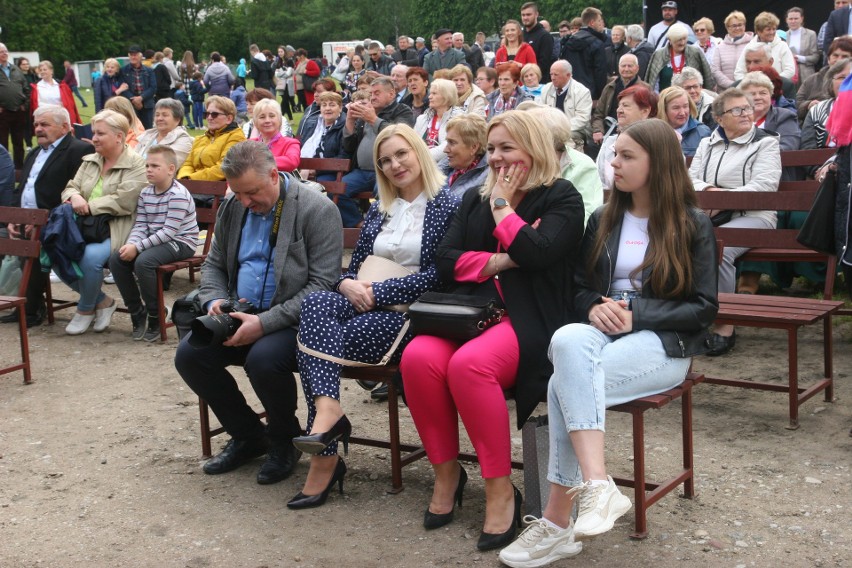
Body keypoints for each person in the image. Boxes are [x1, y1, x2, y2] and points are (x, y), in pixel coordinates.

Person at [498, 118, 718, 568]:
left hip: (662, 344)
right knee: (567, 338)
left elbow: (703, 307)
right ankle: (598, 486)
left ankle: (557, 523)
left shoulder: (692, 224)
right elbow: (578, 288)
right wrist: (594, 305)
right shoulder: (604, 217)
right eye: (614, 154)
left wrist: (637, 313)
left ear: (658, 165)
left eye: (626, 156)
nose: (613, 163)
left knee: (564, 385)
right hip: (601, 333)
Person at [401, 110, 585, 552]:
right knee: (418, 357)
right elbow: (445, 260)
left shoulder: (562, 198)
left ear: (535, 148)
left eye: (507, 148)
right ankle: (447, 474)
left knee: (470, 366)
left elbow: (538, 255)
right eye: (492, 150)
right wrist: (500, 260)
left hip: (527, 318)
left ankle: (501, 489)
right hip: (465, 313)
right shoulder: (472, 200)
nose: (497, 159)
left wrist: (503, 208)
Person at [289, 124, 459, 508]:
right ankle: (329, 413)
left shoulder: (448, 205)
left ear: (418, 152)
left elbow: (441, 274)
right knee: (315, 305)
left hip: (409, 314)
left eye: (401, 154)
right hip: (361, 298)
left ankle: (325, 458)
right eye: (385, 160)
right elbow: (357, 266)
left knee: (313, 347)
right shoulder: (383, 208)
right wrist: (347, 283)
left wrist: (378, 291)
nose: (394, 164)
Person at [174, 141, 342, 486]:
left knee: (263, 359)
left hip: (295, 320)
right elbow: (214, 264)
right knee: (189, 355)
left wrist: (264, 323)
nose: (246, 202)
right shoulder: (235, 205)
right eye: (238, 193)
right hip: (240, 312)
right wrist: (215, 301)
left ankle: (283, 441)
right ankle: (250, 435)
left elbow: (322, 286)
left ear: (274, 175)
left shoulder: (316, 209)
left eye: (252, 192)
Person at [688, 88, 781, 356]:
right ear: (719, 118)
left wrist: (724, 200)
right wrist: (709, 193)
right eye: (737, 110)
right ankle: (685, 317)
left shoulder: (766, 142)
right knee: (673, 239)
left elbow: (764, 187)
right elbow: (690, 179)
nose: (745, 114)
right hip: (709, 216)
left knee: (721, 248)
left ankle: (725, 324)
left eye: (747, 108)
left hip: (754, 218)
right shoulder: (708, 144)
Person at [3, 105, 93, 328]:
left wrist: (43, 222)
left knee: (33, 247)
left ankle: (31, 310)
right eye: (35, 124)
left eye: (44, 124)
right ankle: (24, 305)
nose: (38, 129)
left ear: (64, 127)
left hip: (57, 222)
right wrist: (15, 217)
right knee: (12, 240)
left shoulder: (77, 150)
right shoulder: (34, 152)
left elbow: (76, 192)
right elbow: (21, 189)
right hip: (27, 220)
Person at [58, 109, 147, 335]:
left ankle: (85, 309)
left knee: (89, 259)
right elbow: (71, 186)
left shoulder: (136, 164)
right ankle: (103, 301)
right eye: (93, 133)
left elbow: (124, 201)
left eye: (100, 133)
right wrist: (74, 197)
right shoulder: (90, 161)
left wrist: (88, 206)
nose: (94, 138)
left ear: (119, 136)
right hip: (85, 227)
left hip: (119, 227)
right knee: (54, 252)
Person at [109, 145, 197, 341]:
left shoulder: (178, 195)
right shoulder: (146, 193)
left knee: (144, 262)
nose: (149, 169)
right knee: (117, 259)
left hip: (181, 242)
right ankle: (136, 311)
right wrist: (131, 244)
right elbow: (141, 224)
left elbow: (168, 232)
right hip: (156, 242)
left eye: (155, 166)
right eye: (147, 165)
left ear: (171, 169)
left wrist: (138, 248)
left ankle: (156, 313)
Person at [340, 77, 415, 227]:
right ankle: (360, 224)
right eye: (371, 93)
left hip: (386, 171)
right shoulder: (367, 113)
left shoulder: (403, 111)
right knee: (337, 190)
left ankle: (385, 228)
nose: (372, 97)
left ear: (391, 94)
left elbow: (399, 135)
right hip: (361, 172)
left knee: (384, 193)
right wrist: (349, 122)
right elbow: (349, 147)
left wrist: (373, 119)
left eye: (377, 93)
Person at [525, 103, 602, 226]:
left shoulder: (582, 165)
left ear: (546, 138)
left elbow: (587, 217)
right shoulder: (526, 161)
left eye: (529, 134)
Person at [597, 85, 658, 189]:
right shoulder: (609, 142)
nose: (619, 110)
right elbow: (598, 180)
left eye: (626, 105)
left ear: (645, 112)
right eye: (619, 106)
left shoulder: (661, 142)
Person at [178, 96, 247, 181]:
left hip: (216, 189)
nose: (209, 117)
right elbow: (187, 164)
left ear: (229, 118)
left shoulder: (236, 137)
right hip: (192, 185)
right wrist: (184, 177)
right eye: (206, 114)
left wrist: (192, 178)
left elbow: (224, 167)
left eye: (214, 114)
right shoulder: (200, 139)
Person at [592, 54, 649, 144]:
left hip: (635, 133)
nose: (626, 69)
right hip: (608, 132)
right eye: (623, 66)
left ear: (637, 68)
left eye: (630, 66)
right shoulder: (609, 87)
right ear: (619, 67)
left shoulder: (645, 89)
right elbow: (598, 114)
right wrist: (598, 130)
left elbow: (649, 116)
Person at [539, 60, 592, 151]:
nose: (552, 78)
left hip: (575, 130)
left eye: (556, 75)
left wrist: (560, 129)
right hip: (550, 129)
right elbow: (540, 112)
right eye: (551, 74)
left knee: (562, 140)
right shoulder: (546, 89)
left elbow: (582, 119)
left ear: (568, 75)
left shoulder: (582, 91)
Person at [740, 72, 801, 152]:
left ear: (770, 95)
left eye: (763, 93)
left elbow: (788, 147)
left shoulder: (784, 116)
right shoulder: (735, 117)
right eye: (752, 94)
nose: (758, 97)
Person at [646, 24, 715, 93]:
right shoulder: (659, 54)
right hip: (665, 99)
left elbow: (707, 77)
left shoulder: (695, 52)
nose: (682, 42)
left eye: (684, 39)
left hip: (692, 99)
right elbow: (653, 82)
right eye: (679, 40)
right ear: (670, 40)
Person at [797, 37, 852, 121]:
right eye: (835, 55)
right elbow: (796, 105)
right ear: (828, 59)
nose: (839, 60)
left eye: (845, 56)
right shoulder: (812, 80)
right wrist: (808, 105)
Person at [297, 91, 349, 180]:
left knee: (320, 182)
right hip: (303, 167)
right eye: (324, 105)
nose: (327, 108)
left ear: (340, 108)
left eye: (332, 105)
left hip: (329, 171)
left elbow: (343, 156)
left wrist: (316, 170)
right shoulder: (312, 124)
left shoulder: (345, 127)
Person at [803, 58, 852, 151]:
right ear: (830, 82)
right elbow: (807, 150)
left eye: (850, 78)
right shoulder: (816, 111)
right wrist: (827, 165)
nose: (846, 82)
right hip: (820, 164)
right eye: (841, 77)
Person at [559, 7, 608, 99]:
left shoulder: (568, 42)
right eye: (599, 21)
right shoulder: (597, 44)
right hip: (590, 94)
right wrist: (599, 97)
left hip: (569, 92)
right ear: (592, 23)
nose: (602, 24)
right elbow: (600, 73)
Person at [733, 13, 795, 81]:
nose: (772, 32)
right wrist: (750, 84)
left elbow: (790, 71)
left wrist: (772, 82)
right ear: (758, 31)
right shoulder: (749, 47)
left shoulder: (782, 46)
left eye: (774, 29)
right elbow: (739, 73)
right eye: (768, 29)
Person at [414, 78, 464, 162]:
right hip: (421, 162)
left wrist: (419, 158)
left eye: (434, 93)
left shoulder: (458, 118)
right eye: (430, 93)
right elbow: (413, 143)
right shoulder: (422, 119)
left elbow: (448, 146)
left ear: (447, 96)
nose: (429, 97)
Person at [440, 114, 489, 198]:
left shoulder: (486, 178)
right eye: (447, 142)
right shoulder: (446, 165)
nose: (445, 150)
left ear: (473, 147)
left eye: (452, 142)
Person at [135, 98, 193, 164]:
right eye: (157, 115)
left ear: (177, 120)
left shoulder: (183, 141)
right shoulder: (147, 135)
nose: (159, 118)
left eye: (165, 115)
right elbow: (132, 159)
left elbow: (163, 166)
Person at [657, 86, 711, 156]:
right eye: (676, 108)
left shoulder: (702, 132)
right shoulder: (654, 133)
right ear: (664, 109)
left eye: (685, 106)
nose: (682, 113)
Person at [249, 98, 300, 171]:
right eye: (262, 117)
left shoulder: (290, 143)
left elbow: (291, 162)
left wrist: (259, 161)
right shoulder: (250, 144)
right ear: (255, 122)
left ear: (279, 119)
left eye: (272, 116)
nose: (267, 120)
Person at [30, 61, 82, 126]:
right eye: (40, 70)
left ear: (51, 71)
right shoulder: (36, 87)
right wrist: (55, 108)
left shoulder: (61, 85)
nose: (42, 72)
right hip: (45, 118)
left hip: (61, 117)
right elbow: (37, 104)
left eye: (45, 69)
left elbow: (69, 103)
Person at [712, 11, 753, 90]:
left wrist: (743, 85)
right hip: (726, 92)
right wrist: (732, 85)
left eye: (740, 25)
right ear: (727, 28)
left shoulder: (753, 44)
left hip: (748, 89)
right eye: (734, 26)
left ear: (744, 25)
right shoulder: (719, 47)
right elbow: (715, 70)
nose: (737, 28)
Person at [121, 45, 156, 130]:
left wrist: (141, 98)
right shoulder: (123, 70)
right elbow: (123, 88)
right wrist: (134, 100)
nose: (133, 57)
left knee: (148, 130)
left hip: (147, 105)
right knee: (133, 130)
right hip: (130, 106)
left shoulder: (149, 70)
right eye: (131, 54)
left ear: (141, 56)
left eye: (135, 54)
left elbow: (153, 87)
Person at [520, 2, 554, 82]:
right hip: (520, 81)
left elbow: (544, 64)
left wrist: (528, 75)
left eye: (528, 15)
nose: (525, 17)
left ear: (536, 14)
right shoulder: (519, 35)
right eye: (523, 15)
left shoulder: (545, 36)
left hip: (538, 84)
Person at [786, 8, 820, 84]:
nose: (793, 21)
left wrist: (799, 58)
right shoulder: (784, 35)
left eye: (796, 18)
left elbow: (815, 57)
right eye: (791, 19)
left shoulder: (811, 34)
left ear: (801, 19)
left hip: (806, 74)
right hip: (790, 74)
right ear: (786, 20)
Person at [273, 47, 295, 121]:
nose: (280, 53)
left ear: (285, 52)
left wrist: (280, 72)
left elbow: (288, 74)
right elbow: (275, 74)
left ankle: (280, 117)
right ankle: (291, 119)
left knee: (285, 100)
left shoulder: (289, 61)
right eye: (279, 52)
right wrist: (282, 72)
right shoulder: (278, 62)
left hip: (288, 83)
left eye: (281, 51)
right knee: (285, 101)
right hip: (281, 83)